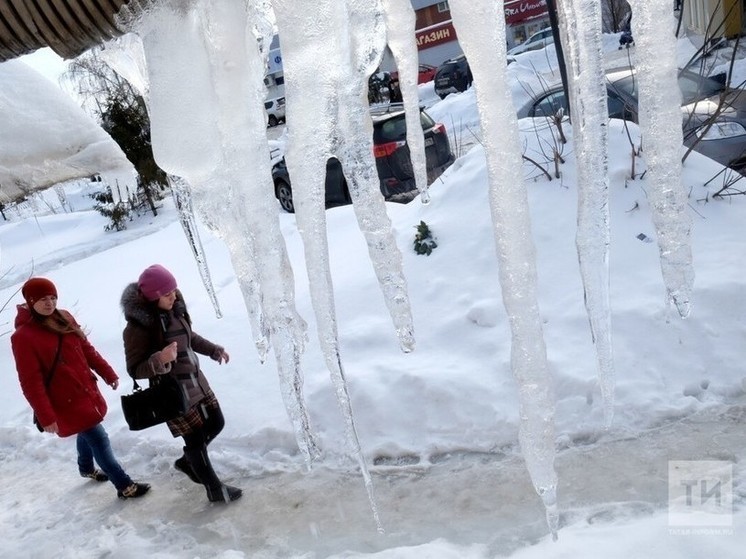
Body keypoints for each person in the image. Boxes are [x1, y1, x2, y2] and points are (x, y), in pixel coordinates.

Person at [11, 277, 150, 500]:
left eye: (53, 297)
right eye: (43, 299)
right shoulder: (23, 337)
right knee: (98, 437)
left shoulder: (64, 317)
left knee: (87, 430)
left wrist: (107, 372)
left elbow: (85, 348)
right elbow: (30, 382)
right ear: (30, 301)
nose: (49, 303)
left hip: (85, 390)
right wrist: (46, 416)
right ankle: (125, 486)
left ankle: (85, 468)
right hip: (63, 401)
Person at [120, 264, 242, 503]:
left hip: (197, 381)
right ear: (153, 296)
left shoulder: (176, 308)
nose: (173, 296)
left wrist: (213, 350)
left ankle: (189, 462)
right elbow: (134, 368)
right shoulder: (138, 327)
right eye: (167, 293)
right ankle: (214, 490)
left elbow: (189, 337)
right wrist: (160, 360)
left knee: (216, 422)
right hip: (173, 392)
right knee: (195, 440)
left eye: (174, 290)